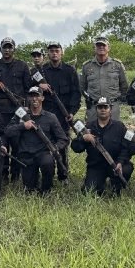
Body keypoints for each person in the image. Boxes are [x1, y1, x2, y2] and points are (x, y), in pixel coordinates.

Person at [5, 86, 68, 194]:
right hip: (27, 156)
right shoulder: (20, 115)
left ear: (42, 98)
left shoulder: (50, 117)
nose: (34, 99)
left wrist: (54, 149)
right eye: (32, 96)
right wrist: (23, 126)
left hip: (44, 153)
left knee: (48, 163)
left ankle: (46, 189)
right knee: (29, 190)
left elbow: (63, 139)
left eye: (37, 96)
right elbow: (7, 131)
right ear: (28, 98)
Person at [31, 41, 80, 178]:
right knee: (44, 142)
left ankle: (63, 174)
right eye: (51, 51)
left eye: (57, 50)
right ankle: (46, 173)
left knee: (62, 144)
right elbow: (31, 91)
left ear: (61, 52)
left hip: (63, 115)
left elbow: (76, 93)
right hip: (45, 115)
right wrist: (40, 86)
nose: (54, 53)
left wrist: (71, 112)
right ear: (48, 54)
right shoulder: (40, 72)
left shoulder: (70, 71)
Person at [0, 38, 32, 181]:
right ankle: (3, 173)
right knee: (1, 142)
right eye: (4, 47)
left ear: (14, 49)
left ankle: (16, 174)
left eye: (10, 47)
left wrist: (26, 107)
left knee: (17, 142)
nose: (7, 50)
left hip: (16, 109)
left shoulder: (22, 66)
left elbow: (28, 88)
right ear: (0, 49)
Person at [71, 96, 133, 194]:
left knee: (126, 169)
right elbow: (76, 148)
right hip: (96, 166)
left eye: (106, 107)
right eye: (100, 107)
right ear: (96, 109)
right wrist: (83, 138)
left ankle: (116, 184)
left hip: (114, 164)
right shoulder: (88, 127)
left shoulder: (119, 126)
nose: (103, 110)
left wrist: (120, 162)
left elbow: (126, 147)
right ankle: (100, 183)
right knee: (89, 191)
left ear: (110, 109)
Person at [79, 38, 128, 123]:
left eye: (103, 45)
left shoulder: (117, 65)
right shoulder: (86, 66)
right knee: (93, 133)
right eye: (98, 45)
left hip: (112, 107)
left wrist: (117, 99)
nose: (101, 47)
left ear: (108, 48)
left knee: (113, 132)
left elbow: (124, 86)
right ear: (94, 48)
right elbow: (82, 87)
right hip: (94, 107)